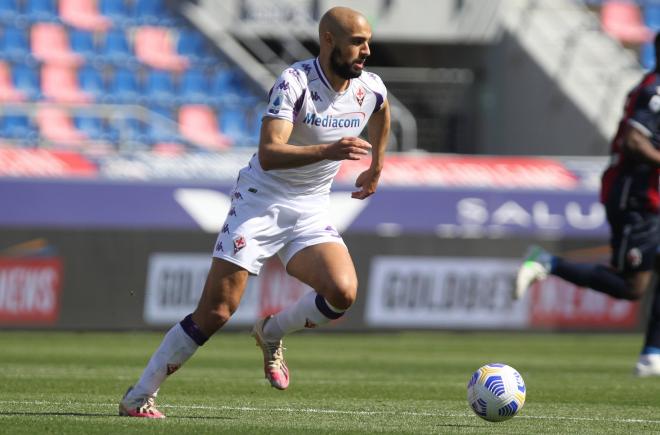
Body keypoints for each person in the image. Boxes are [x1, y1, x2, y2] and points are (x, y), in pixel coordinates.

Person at [119, 6, 390, 418]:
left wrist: (376, 168)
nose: (366, 50)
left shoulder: (369, 88)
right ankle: (138, 397)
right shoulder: (295, 82)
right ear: (329, 40)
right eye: (357, 42)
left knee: (342, 292)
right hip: (260, 202)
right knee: (217, 312)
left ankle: (271, 331)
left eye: (368, 41)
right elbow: (269, 154)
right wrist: (330, 150)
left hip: (311, 207)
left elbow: (382, 110)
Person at [515, 32, 660, 377]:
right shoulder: (654, 91)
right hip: (634, 195)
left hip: (651, 195)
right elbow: (634, 140)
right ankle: (546, 262)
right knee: (630, 286)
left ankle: (652, 354)